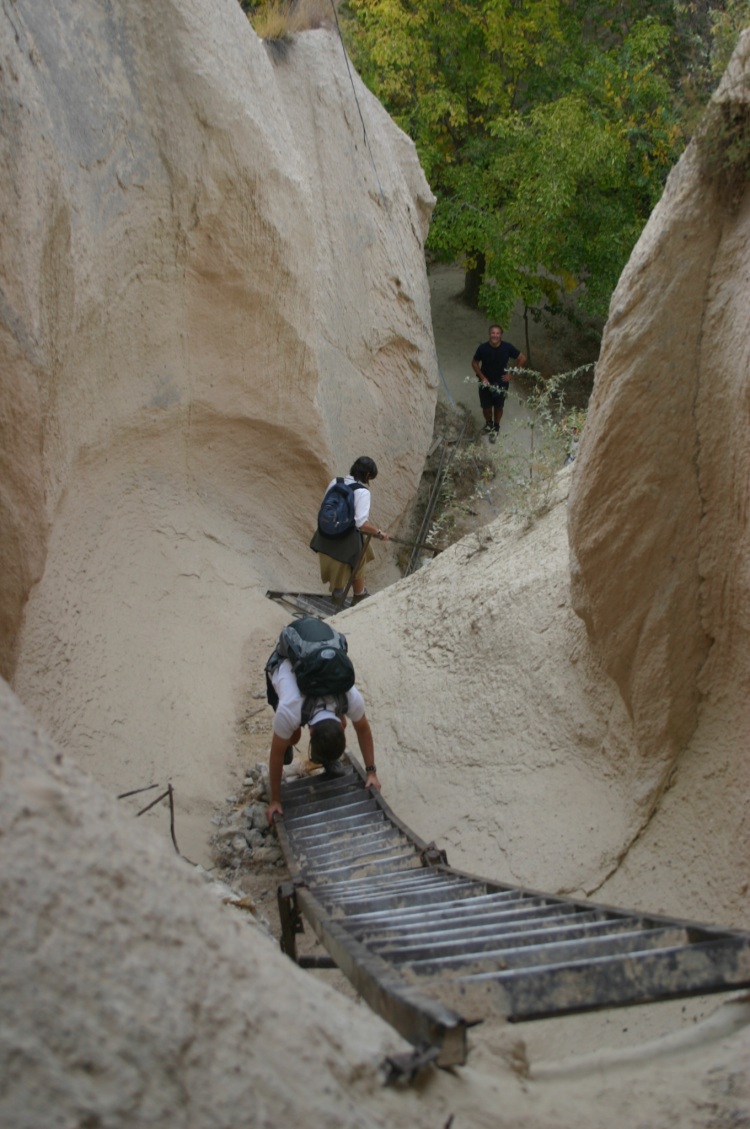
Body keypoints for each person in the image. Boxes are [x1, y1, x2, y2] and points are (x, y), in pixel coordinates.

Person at [264, 652, 381, 825]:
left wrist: (371, 772)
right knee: (293, 736)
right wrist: (275, 800)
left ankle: (328, 760)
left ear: (342, 725)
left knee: (295, 731)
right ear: (311, 732)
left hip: (323, 670)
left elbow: (363, 729)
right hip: (281, 663)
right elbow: (276, 753)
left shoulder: (348, 695)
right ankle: (290, 742)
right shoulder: (289, 709)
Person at [310, 456, 389, 604]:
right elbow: (361, 523)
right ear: (367, 475)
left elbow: (324, 506)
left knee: (352, 560)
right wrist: (379, 533)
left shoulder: (336, 481)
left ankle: (343, 594)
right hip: (344, 540)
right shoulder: (363, 492)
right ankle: (357, 596)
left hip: (324, 535)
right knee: (358, 561)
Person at [471, 324, 527, 443]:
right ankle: (488, 424)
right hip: (485, 383)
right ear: (489, 334)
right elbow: (474, 363)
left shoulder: (507, 347)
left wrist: (512, 374)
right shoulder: (482, 348)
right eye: (493, 333)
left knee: (498, 407)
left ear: (500, 335)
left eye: (497, 333)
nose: (495, 335)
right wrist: (482, 377)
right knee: (486, 407)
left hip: (501, 383)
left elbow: (522, 358)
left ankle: (496, 428)